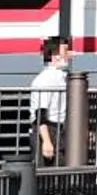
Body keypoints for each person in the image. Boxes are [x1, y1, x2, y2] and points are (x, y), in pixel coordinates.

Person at [27, 35, 70, 165]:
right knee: (48, 171)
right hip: (49, 130)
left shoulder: (61, 77)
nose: (68, 56)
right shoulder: (46, 79)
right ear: (54, 55)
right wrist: (46, 141)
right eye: (65, 52)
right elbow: (40, 113)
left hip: (58, 130)